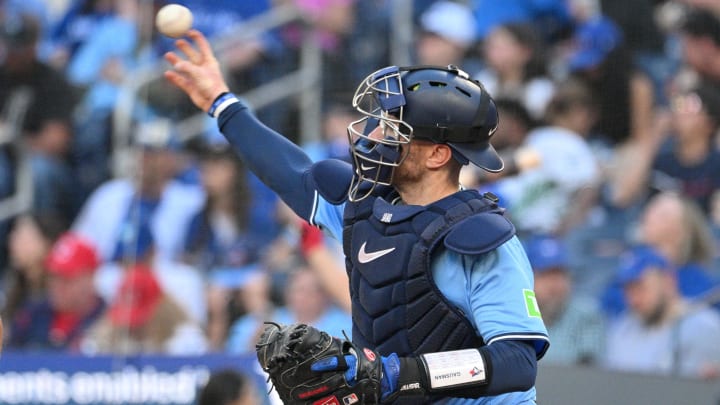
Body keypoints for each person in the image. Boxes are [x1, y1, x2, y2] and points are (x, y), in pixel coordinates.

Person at [164, 30, 549, 404]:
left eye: (394, 129)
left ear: (437, 155)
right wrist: (222, 102)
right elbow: (288, 171)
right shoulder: (364, 202)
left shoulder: (480, 238)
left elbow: (516, 362)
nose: (375, 133)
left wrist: (397, 374)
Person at [604, 246, 720, 379]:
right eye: (628, 290)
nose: (634, 299)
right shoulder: (623, 328)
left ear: (668, 281)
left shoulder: (702, 327)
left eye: (640, 287)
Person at [8, 232, 105, 352]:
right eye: (53, 276)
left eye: (66, 278)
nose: (56, 286)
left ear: (90, 278)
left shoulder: (106, 318)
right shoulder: (32, 315)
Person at [524, 234, 605, 366]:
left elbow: (590, 373)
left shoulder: (586, 316)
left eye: (560, 275)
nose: (554, 285)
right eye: (545, 275)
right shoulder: (518, 317)